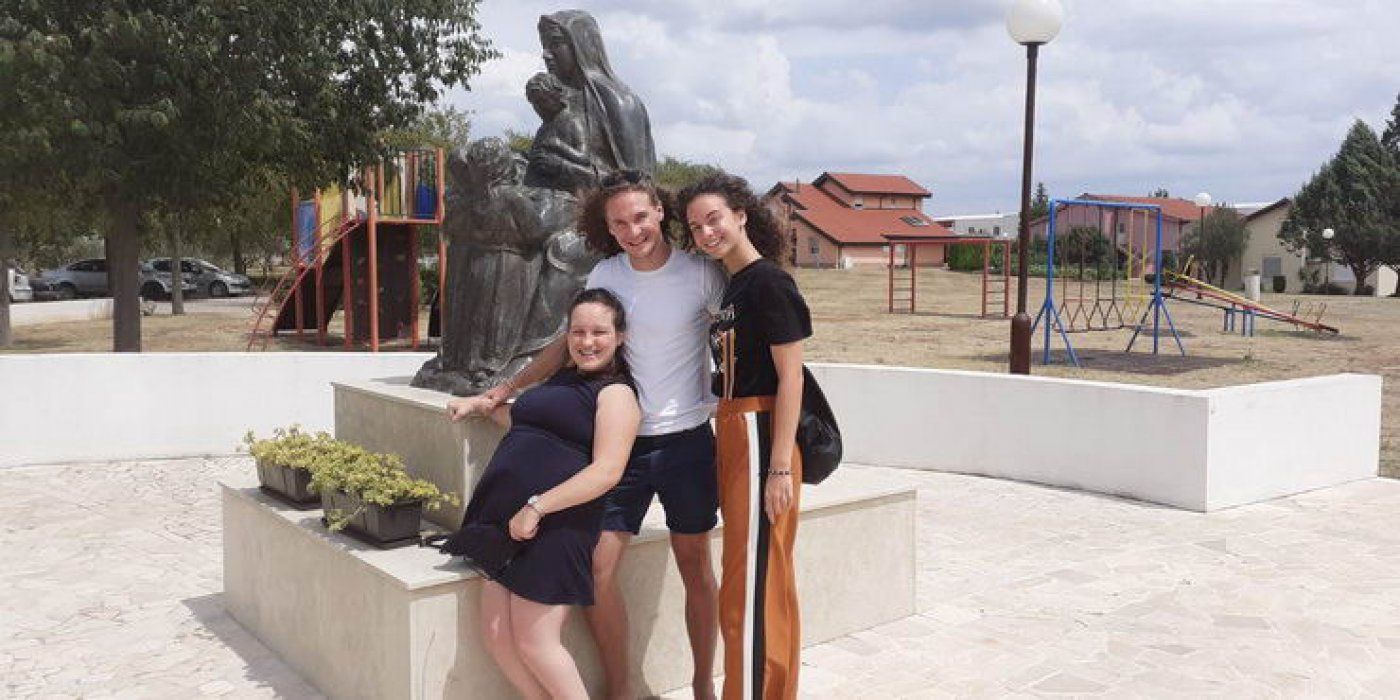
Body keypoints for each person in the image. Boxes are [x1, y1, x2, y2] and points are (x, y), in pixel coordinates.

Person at [473, 170, 727, 699]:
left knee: (695, 565)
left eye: (640, 217)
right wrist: (505, 389)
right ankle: (620, 688)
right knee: (597, 567)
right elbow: (567, 343)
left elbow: (737, 337)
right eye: (620, 223)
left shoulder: (701, 273)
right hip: (621, 445)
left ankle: (705, 684)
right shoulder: (607, 274)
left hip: (687, 443)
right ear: (607, 228)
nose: (633, 231)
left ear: (660, 211)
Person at [446, 288, 641, 700]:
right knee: (497, 635)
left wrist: (537, 508)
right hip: (502, 515)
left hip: (555, 524)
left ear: (620, 336)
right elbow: (523, 420)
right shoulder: (559, 380)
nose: (587, 341)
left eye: (599, 332)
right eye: (578, 332)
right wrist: (478, 405)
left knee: (536, 642)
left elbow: (607, 471)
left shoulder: (616, 393)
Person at [679, 173, 812, 700]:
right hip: (735, 428)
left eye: (713, 219)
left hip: (760, 430)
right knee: (747, 575)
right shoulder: (733, 286)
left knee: (753, 584)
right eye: (695, 227)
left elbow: (792, 377)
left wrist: (778, 467)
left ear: (741, 215)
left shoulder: (769, 283)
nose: (706, 233)